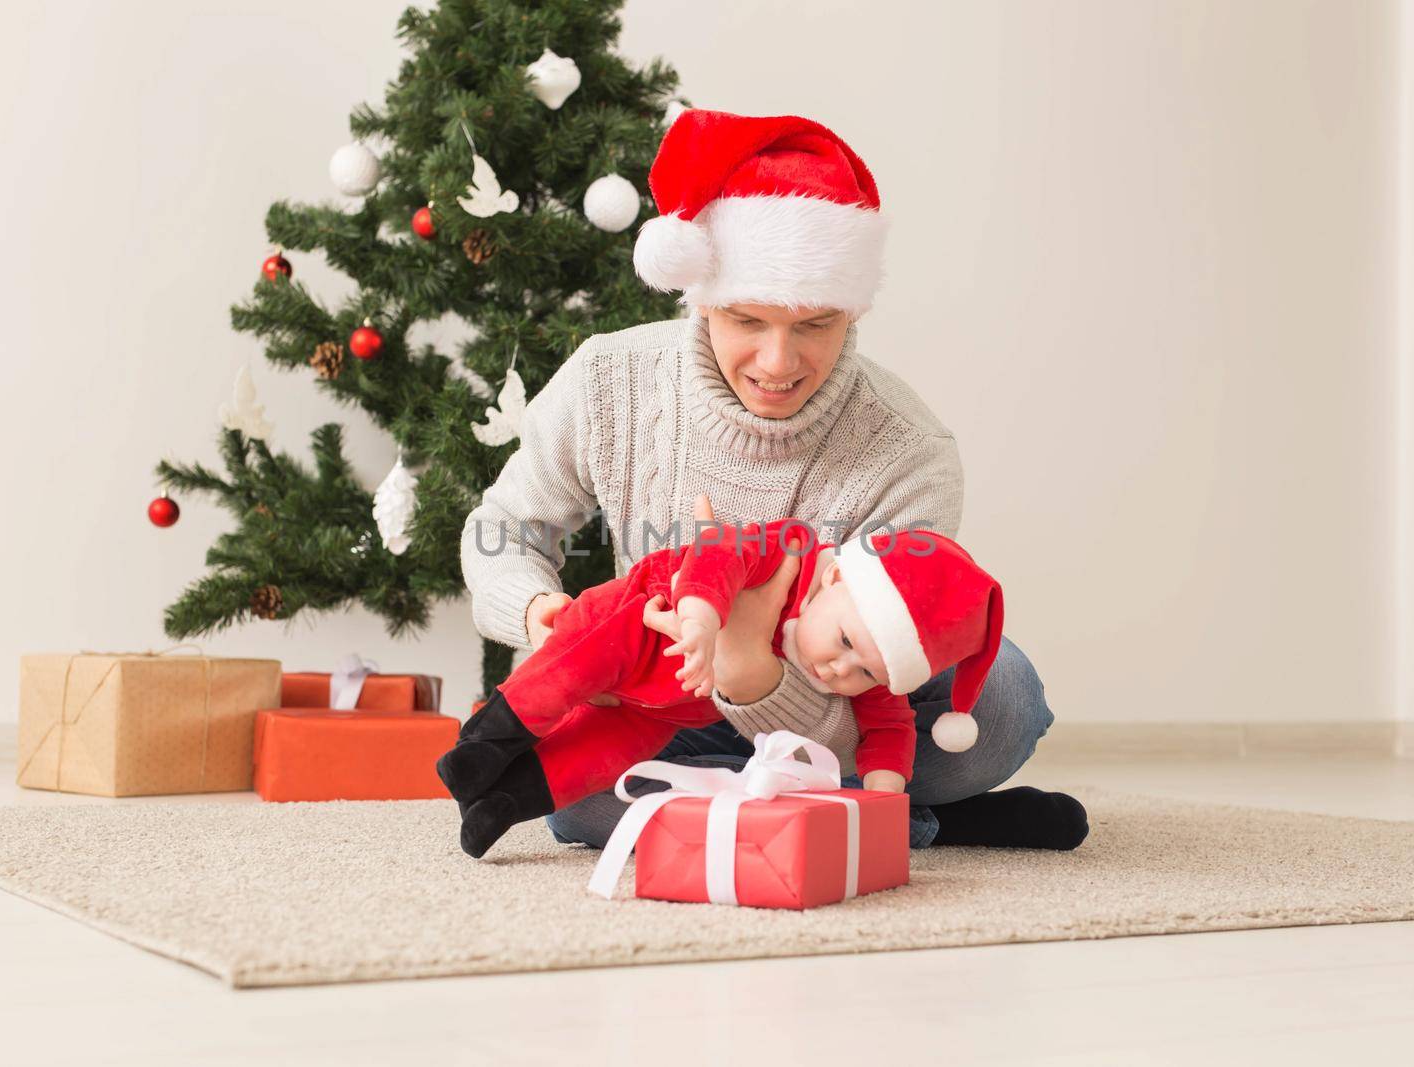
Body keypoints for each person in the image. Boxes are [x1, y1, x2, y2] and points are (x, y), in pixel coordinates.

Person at [461, 109, 1088, 853]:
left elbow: (874, 691)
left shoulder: (909, 454)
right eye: (746, 319)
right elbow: (503, 526)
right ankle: (909, 820)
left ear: (852, 310)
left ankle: (801, 806)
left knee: (1002, 698)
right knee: (581, 803)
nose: (778, 361)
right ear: (700, 298)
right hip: (664, 693)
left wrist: (752, 663)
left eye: (815, 325)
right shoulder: (609, 379)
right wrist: (539, 613)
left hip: (837, 705)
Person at [442, 503, 1005, 858]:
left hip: (671, 710)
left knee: (600, 761)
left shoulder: (874, 663)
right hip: (642, 622)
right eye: (846, 645)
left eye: (867, 674)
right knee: (566, 675)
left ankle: (504, 805)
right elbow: (723, 551)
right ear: (835, 579)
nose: (841, 672)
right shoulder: (793, 552)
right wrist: (703, 620)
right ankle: (482, 746)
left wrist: (884, 797)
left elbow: (891, 724)